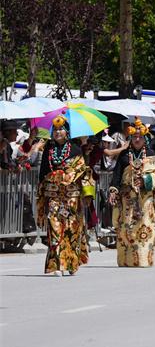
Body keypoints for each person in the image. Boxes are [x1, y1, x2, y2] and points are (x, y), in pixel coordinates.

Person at [37, 113, 95, 275]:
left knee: (71, 228)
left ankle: (70, 263)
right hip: (54, 195)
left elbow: (83, 171)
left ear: (67, 132)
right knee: (54, 226)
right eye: (55, 130)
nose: (57, 132)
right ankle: (57, 264)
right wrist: (41, 192)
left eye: (61, 129)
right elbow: (43, 172)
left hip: (71, 196)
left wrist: (86, 193)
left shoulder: (75, 149)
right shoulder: (48, 149)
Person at [108, 119, 155, 268]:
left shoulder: (150, 154)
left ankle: (143, 259)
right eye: (134, 137)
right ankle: (127, 260)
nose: (137, 139)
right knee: (127, 228)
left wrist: (146, 180)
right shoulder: (124, 154)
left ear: (145, 139)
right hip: (127, 197)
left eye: (140, 137)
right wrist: (113, 190)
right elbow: (117, 175)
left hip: (145, 198)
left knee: (144, 227)